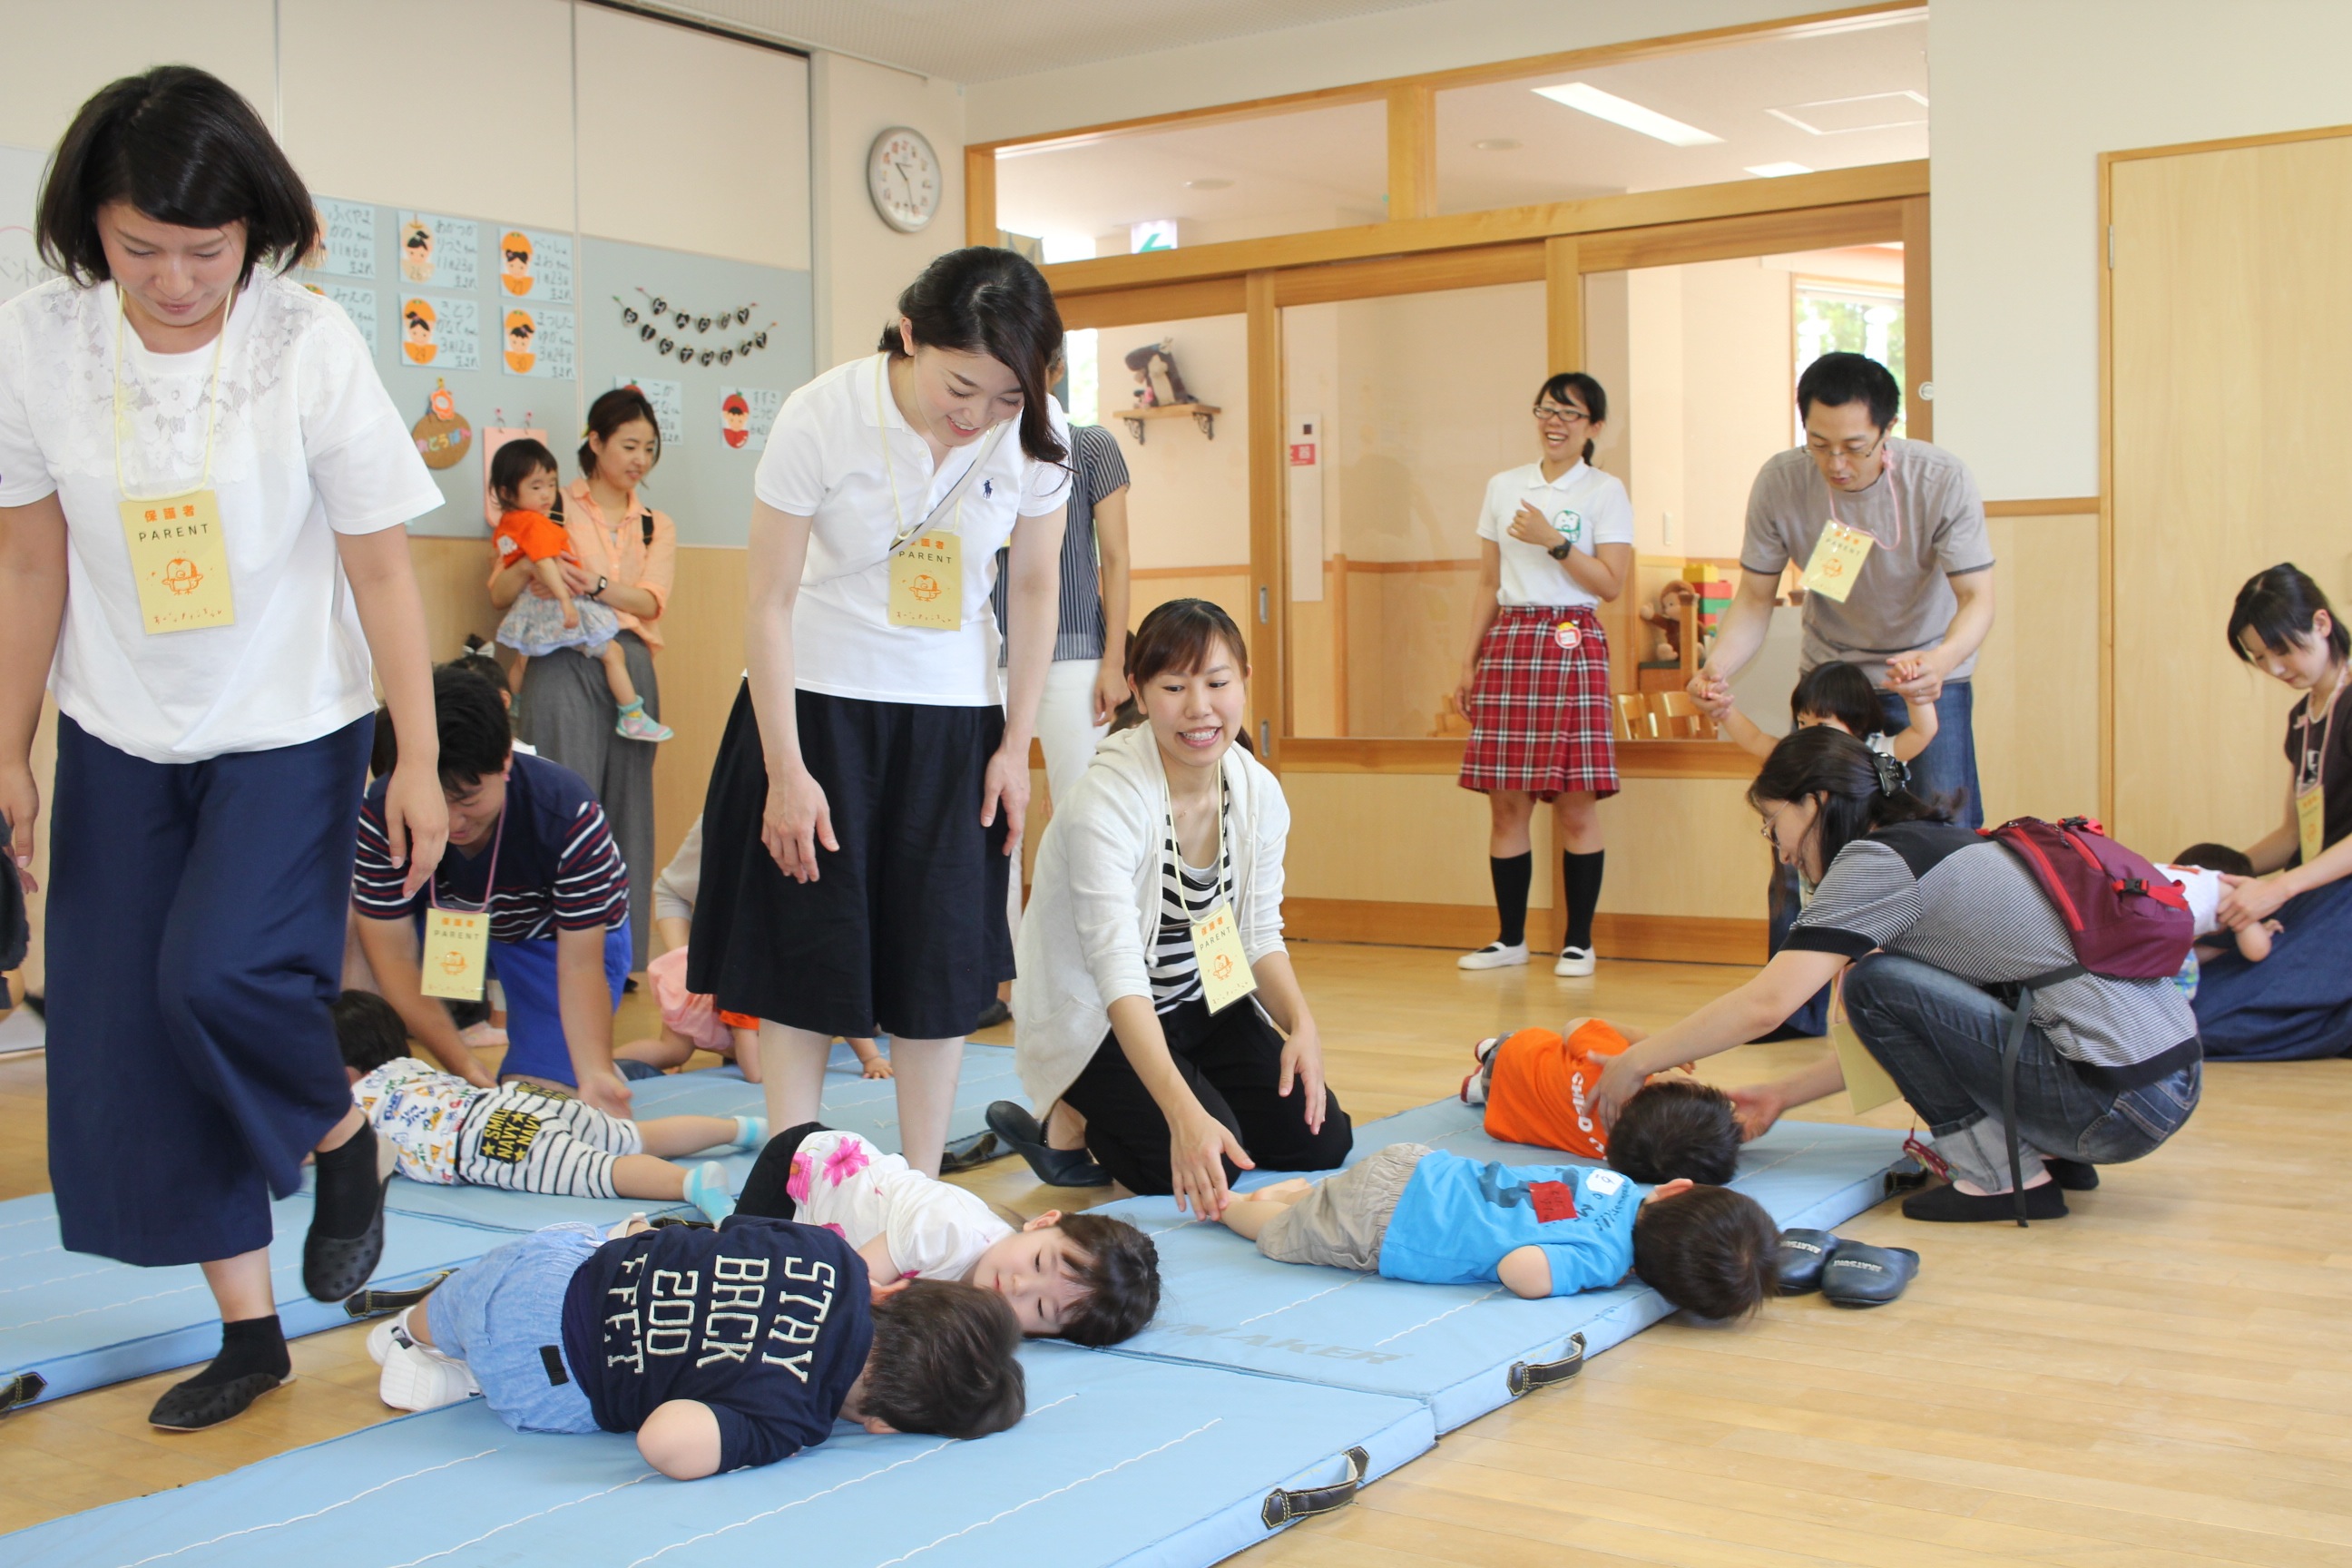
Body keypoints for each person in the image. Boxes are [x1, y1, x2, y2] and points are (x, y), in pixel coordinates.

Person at [0, 68, 449, 1431]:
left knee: (219, 978)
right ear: (91, 225)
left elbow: (381, 572)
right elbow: (30, 559)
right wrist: (9, 750)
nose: (181, 279)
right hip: (119, 728)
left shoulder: (306, 344)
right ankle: (249, 1333)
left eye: (211, 249)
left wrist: (415, 758)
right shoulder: (39, 342)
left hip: (288, 728)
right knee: (129, 1029)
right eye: (145, 250)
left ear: (257, 227)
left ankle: (339, 1126)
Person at [690, 248, 1072, 1179]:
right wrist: (786, 771)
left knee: (939, 957)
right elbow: (768, 601)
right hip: (814, 711)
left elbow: (1031, 587)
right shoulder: (824, 412)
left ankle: (920, 1184)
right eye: (960, 386)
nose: (977, 415)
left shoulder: (1038, 433)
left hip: (953, 720)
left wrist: (1016, 746)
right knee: (801, 944)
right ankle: (794, 1167)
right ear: (910, 336)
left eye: (1007, 397)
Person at [1592, 728, 2202, 1223]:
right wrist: (1781, 1094)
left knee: (1873, 984)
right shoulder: (1937, 843)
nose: (1779, 850)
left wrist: (1636, 1061)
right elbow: (1941, 1031)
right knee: (1889, 984)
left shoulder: (1874, 862)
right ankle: (2045, 1155)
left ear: (1817, 802)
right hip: (2159, 1083)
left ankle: (1999, 1179)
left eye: (1771, 823)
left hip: (2114, 1104)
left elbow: (1767, 1004)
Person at [1000, 599, 1352, 1219]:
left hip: (1205, 1000)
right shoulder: (1104, 803)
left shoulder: (1256, 791)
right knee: (1196, 1164)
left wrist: (1303, 1025)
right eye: (1173, 686)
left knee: (1320, 1141)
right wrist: (1185, 1114)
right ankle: (1078, 1115)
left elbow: (1259, 933)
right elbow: (1117, 975)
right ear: (1137, 689)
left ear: (1243, 679)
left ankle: (1172, 1095)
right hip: (1105, 1019)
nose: (1199, 708)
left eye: (1217, 683)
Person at [367, 1214, 1025, 1479]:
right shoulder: (789, 1418)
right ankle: (464, 1378)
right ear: (881, 1424)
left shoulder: (828, 1252)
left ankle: (413, 1334)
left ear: (896, 1293)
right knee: (548, 1380)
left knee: (469, 1295)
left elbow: (715, 1234)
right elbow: (665, 1440)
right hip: (549, 1380)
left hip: (552, 1272)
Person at [1690, 352, 1994, 828]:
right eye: (1818, 443)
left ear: (1887, 428)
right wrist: (1717, 669)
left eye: (1855, 447)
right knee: (1806, 835)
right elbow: (1754, 597)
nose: (1836, 463)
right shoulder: (1780, 481)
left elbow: (1977, 597)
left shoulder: (1940, 479)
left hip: (1925, 680)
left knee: (1945, 837)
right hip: (1830, 687)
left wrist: (1940, 661)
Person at [354, 666, 636, 1112]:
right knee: (349, 924)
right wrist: (459, 1061)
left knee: (541, 1103)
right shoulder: (383, 810)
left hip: (551, 940)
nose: (452, 822)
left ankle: (622, 1067)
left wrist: (594, 1070)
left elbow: (580, 967)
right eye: (435, 800)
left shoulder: (565, 813)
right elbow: (391, 954)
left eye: (467, 800)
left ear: (505, 760)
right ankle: (363, 1073)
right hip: (443, 924)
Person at [491, 387, 676, 970]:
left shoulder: (655, 525)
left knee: (630, 813)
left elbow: (647, 604)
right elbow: (499, 591)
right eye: (628, 445)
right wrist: (533, 564)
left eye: (649, 448)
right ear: (594, 443)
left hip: (630, 664)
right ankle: (549, 959)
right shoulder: (548, 503)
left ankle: (620, 963)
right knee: (559, 803)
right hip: (557, 658)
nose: (639, 458)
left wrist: (589, 583)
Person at [1456, 373, 1633, 978]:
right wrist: (1468, 659)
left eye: (1570, 413)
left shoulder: (1605, 491)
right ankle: (1510, 938)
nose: (1554, 421)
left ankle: (1578, 941)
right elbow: (1487, 582)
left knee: (1577, 803)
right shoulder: (1504, 486)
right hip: (1511, 636)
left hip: (1574, 639)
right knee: (1507, 804)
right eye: (1546, 409)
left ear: (1593, 427)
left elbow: (1610, 584)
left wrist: (1556, 541)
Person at [1215, 1144, 1778, 1319]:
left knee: (1334, 1198)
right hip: (1388, 1226)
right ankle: (1233, 1207)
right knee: (1284, 1234)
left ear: (1674, 1189)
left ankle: (1303, 1190)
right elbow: (1521, 1272)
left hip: (1418, 1166)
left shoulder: (1614, 1182)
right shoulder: (1605, 1259)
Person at [334, 989, 747, 1220]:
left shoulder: (352, 1104)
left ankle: (690, 1185)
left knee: (599, 1171)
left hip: (487, 1139)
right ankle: (741, 1129)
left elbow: (345, 1157)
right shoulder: (409, 1066)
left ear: (345, 1072)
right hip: (517, 1098)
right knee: (632, 1137)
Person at [730, 1123, 1159, 1342]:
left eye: (1043, 1308)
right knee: (734, 1272)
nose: (1017, 1286)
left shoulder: (988, 1316)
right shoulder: (948, 1227)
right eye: (1037, 1262)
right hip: (805, 1172)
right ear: (1043, 1221)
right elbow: (845, 1284)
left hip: (834, 1230)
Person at [1705, 659, 1940, 1039]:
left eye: (1822, 724)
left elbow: (1924, 730)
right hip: (1815, 894)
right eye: (1802, 723)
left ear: (1856, 720)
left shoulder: (1875, 754)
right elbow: (1753, 739)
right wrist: (1726, 711)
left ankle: (1863, 1029)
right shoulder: (1798, 763)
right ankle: (1798, 1017)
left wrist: (1916, 695)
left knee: (1862, 962)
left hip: (1862, 896)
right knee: (1804, 941)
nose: (1808, 734)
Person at [2190, 564, 2352, 1058]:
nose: (2276, 669)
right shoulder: (2303, 716)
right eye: (2261, 658)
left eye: (2283, 650)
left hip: (2334, 892)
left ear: (2321, 623)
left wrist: (2280, 888)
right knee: (2199, 984)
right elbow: (2294, 834)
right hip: (2318, 884)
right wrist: (2213, 876)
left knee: (2207, 1018)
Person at [988, 417, 1132, 927]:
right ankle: (996, 967)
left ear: (1055, 371)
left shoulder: (1090, 444)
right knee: (992, 815)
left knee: (1081, 812)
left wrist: (1114, 660)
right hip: (987, 654)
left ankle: (1083, 958)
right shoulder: (977, 438)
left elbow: (1114, 557)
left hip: (1075, 652)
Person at [617, 813, 888, 1081]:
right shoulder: (746, 984)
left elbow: (843, 1006)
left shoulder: (809, 961)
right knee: (673, 1050)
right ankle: (608, 1066)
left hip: (752, 1009)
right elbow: (755, 1073)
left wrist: (871, 1058)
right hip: (705, 1008)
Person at [488, 437, 670, 742]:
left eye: (550, 484)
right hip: (557, 612)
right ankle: (633, 714)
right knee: (611, 652)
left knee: (523, 657)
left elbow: (651, 603)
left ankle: (514, 709)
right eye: (536, 487)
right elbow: (542, 563)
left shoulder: (510, 522)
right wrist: (566, 601)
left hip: (532, 611)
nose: (547, 494)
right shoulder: (538, 524)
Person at [1461, 1019, 1743, 1184]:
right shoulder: (1623, 1151)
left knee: (1535, 1047)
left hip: (1514, 1054)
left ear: (1662, 1081)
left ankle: (1486, 1052)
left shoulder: (1610, 1064)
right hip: (1501, 1110)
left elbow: (1576, 1025)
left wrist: (1649, 1046)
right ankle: (1476, 1086)